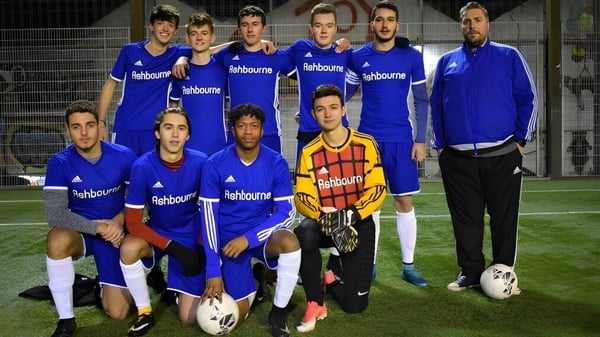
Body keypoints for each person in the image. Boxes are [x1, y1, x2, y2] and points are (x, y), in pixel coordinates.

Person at [429, 1, 538, 291]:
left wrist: (520, 141)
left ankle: (504, 274)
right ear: (461, 26)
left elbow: (529, 99)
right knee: (465, 219)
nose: (472, 25)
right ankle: (470, 272)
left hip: (503, 154)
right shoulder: (447, 62)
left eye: (477, 20)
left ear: (487, 24)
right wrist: (440, 146)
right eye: (466, 21)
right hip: (458, 159)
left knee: (503, 218)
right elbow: (436, 104)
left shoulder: (509, 56)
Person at [346, 1, 429, 286]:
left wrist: (421, 139)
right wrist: (314, 111)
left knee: (403, 201)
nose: (384, 24)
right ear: (372, 24)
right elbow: (343, 91)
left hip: (401, 140)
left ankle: (409, 266)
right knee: (371, 205)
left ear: (397, 24)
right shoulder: (358, 57)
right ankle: (369, 265)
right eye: (379, 19)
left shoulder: (411, 57)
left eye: (390, 20)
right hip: (368, 141)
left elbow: (421, 100)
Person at [199, 103, 300, 337]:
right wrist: (213, 269)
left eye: (254, 126)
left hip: (258, 237)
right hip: (228, 244)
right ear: (231, 129)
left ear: (262, 130)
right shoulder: (215, 164)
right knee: (232, 319)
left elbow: (287, 212)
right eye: (242, 126)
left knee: (289, 242)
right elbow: (208, 218)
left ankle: (279, 311)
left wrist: (249, 238)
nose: (248, 131)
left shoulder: (276, 162)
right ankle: (257, 280)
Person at [294, 84, 386, 332]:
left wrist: (350, 214)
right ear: (313, 114)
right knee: (304, 232)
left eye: (333, 107)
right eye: (320, 109)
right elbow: (302, 196)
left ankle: (331, 281)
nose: (328, 114)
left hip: (357, 224)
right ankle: (315, 301)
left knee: (354, 306)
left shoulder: (366, 143)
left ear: (343, 110)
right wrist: (322, 216)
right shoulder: (309, 152)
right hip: (325, 223)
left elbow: (377, 189)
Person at [43, 100, 137, 337]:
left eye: (89, 125)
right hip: (83, 233)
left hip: (115, 236)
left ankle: (100, 287)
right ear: (68, 130)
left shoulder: (124, 156)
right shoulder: (59, 163)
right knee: (56, 239)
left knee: (119, 312)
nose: (84, 133)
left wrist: (119, 220)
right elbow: (55, 215)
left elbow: (138, 201)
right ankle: (66, 319)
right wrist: (98, 228)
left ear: (100, 126)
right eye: (76, 127)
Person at [119, 107, 208, 336]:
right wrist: (172, 247)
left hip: (190, 232)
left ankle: (177, 290)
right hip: (158, 231)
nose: (175, 135)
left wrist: (199, 245)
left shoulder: (201, 163)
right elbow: (134, 223)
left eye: (181, 128)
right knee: (128, 247)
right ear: (158, 133)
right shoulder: (142, 167)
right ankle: (145, 311)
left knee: (189, 317)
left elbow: (210, 210)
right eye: (168, 128)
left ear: (188, 135)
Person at [98, 4, 191, 156]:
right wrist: (100, 123)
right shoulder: (130, 51)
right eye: (160, 23)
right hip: (126, 128)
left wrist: (182, 58)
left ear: (175, 31)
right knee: (122, 177)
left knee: (153, 178)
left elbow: (206, 51)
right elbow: (110, 84)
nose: (165, 29)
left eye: (170, 25)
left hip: (156, 132)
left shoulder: (177, 53)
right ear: (151, 26)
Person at [212, 5, 295, 153]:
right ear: (239, 28)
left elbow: (305, 78)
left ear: (264, 28)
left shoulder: (276, 57)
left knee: (270, 176)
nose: (250, 30)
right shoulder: (227, 55)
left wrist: (305, 109)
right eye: (245, 25)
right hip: (236, 132)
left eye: (255, 24)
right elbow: (202, 54)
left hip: (269, 132)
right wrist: (182, 59)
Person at [169, 12, 228, 156]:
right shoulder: (180, 72)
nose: (199, 38)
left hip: (219, 148)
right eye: (194, 33)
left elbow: (231, 105)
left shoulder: (223, 70)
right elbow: (172, 108)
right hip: (188, 150)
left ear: (212, 37)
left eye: (204, 33)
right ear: (187, 38)